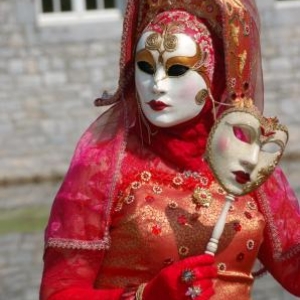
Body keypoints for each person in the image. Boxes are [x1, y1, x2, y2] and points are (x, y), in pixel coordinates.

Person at [39, 1, 300, 299]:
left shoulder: (244, 159)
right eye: (146, 67)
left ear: (216, 76)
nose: (157, 84)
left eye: (176, 69)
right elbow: (58, 293)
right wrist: (146, 295)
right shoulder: (102, 168)